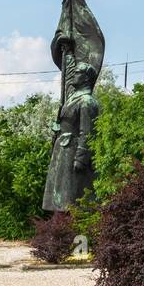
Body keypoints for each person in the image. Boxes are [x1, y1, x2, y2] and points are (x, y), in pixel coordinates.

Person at [43, 60, 100, 212]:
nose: (73, 75)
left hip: (72, 151)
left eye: (77, 73)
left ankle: (68, 228)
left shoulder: (87, 101)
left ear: (86, 78)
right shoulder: (73, 98)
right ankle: (58, 229)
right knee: (59, 199)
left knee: (70, 199)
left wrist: (81, 158)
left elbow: (87, 132)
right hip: (63, 149)